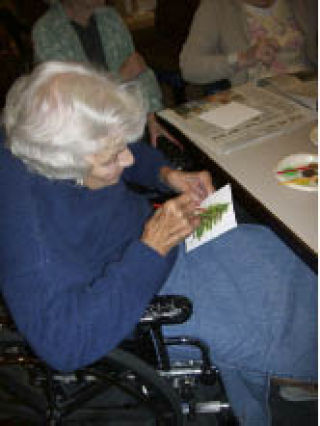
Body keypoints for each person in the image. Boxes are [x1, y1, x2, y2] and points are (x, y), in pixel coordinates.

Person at [0, 61, 317, 426]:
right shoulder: (29, 236)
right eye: (111, 159)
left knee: (275, 252)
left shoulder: (57, 137)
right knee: (277, 328)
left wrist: (166, 174)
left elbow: (126, 153)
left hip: (159, 241)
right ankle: (296, 376)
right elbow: (63, 347)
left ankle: (287, 376)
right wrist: (150, 248)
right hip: (136, 292)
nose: (128, 158)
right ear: (64, 165)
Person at [32, 0, 180, 148]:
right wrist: (120, 77)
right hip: (86, 136)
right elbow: (72, 102)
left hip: (128, 121)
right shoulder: (46, 31)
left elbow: (140, 72)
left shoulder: (109, 17)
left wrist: (153, 116)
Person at [180, 0, 317, 86]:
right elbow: (190, 68)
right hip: (260, 95)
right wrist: (244, 58)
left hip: (310, 86)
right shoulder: (216, 7)